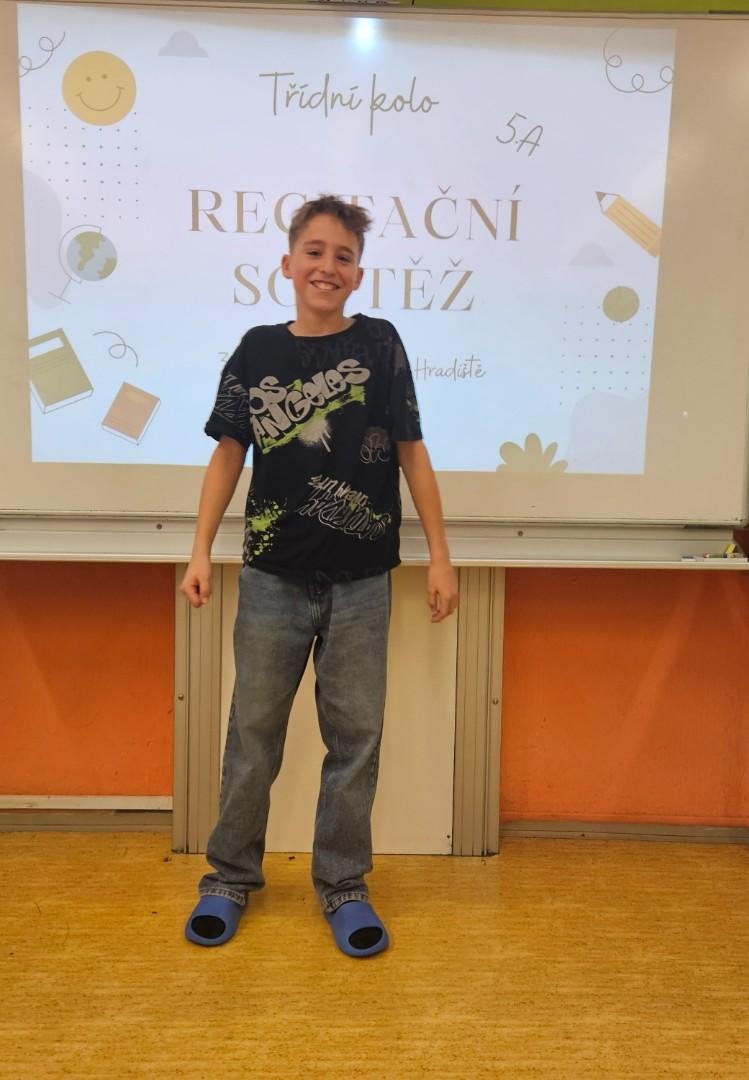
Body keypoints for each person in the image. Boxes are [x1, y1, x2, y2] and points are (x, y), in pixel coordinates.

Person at [181, 194, 458, 957]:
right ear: (286, 263)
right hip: (271, 578)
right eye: (314, 252)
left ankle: (342, 884)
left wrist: (440, 555)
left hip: (362, 582)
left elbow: (411, 451)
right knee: (252, 733)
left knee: (355, 738)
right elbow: (227, 455)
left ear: (357, 273)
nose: (326, 266)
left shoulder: (380, 342)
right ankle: (229, 877)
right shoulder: (256, 350)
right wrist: (199, 550)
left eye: (342, 256)